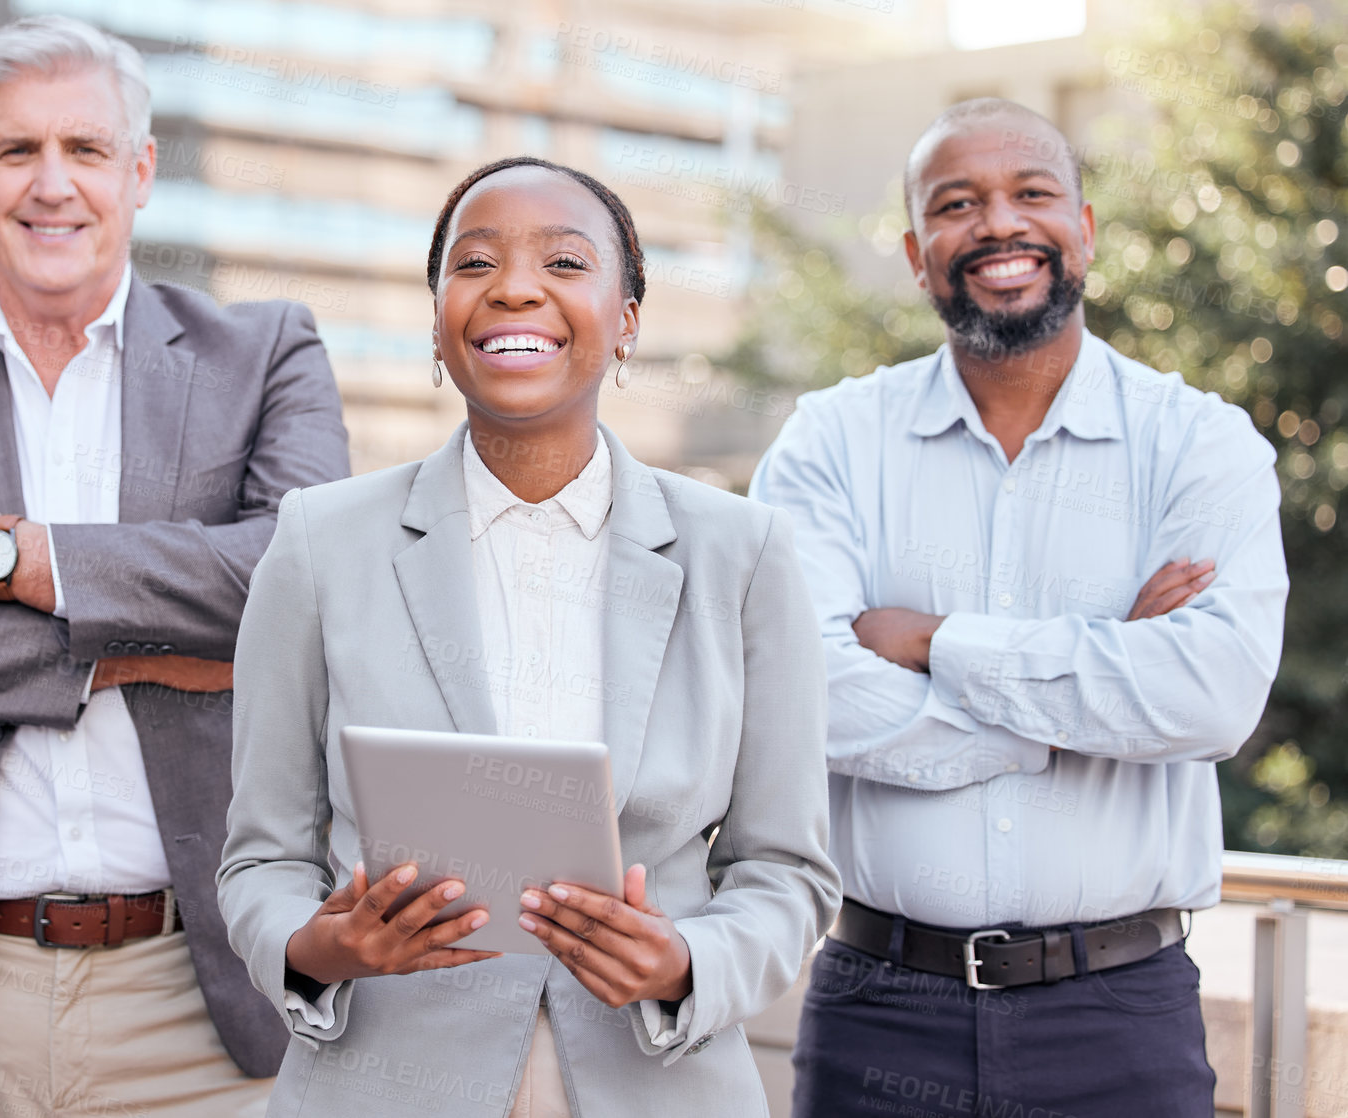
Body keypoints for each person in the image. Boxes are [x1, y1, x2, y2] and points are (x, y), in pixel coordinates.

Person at [0, 14, 350, 1116]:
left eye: (85, 150)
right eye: (16, 149)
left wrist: (8, 553)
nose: (52, 184)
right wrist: (126, 657)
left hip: (200, 991)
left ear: (139, 174)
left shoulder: (265, 353)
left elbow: (295, 579)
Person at [217, 155, 841, 1117]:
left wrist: (686, 960)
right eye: (473, 265)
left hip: (657, 1083)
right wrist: (319, 948)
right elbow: (263, 856)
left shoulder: (743, 553)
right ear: (436, 322)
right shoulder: (319, 543)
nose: (514, 288)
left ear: (626, 319)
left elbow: (784, 868)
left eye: (562, 261)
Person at [750, 98, 1289, 1117]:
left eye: (1031, 193)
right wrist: (1091, 685)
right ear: (916, 254)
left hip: (1119, 1017)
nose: (998, 223)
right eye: (957, 203)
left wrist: (933, 639)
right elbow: (796, 696)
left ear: (1083, 228)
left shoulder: (1199, 445)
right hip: (879, 1009)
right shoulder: (829, 441)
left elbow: (1209, 699)